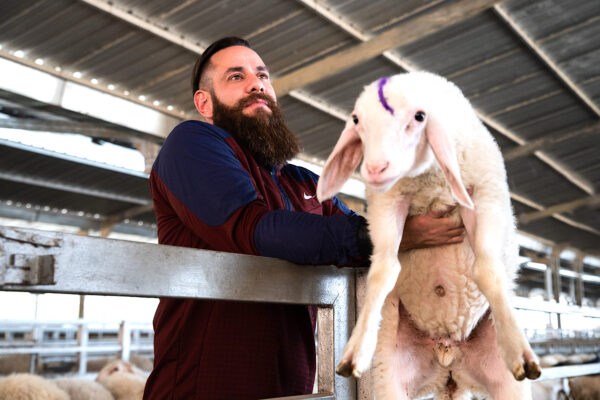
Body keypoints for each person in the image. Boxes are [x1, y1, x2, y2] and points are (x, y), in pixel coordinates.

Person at [143, 37, 466, 399]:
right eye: (236, 77)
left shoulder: (303, 183)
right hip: (203, 389)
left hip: (291, 390)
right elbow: (257, 230)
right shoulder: (191, 144)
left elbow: (357, 239)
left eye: (263, 75)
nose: (257, 84)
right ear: (205, 102)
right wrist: (391, 234)